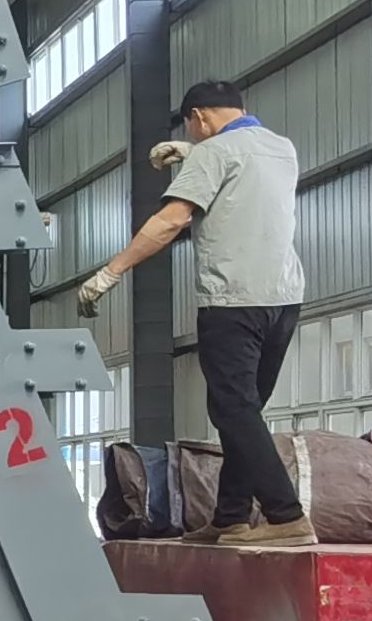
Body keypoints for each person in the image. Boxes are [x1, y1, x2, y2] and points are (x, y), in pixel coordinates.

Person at [76, 78, 311, 545]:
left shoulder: (212, 153)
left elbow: (171, 221)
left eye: (191, 128)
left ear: (199, 117)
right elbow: (244, 168)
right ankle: (230, 517)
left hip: (233, 300)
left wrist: (110, 272)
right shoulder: (281, 148)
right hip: (284, 298)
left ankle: (286, 516)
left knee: (233, 409)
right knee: (243, 412)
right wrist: (192, 152)